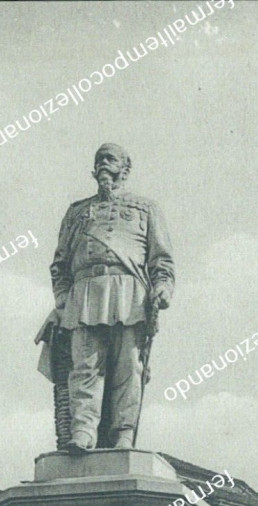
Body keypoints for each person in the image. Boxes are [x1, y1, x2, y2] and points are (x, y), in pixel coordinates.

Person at [46, 143, 175, 454]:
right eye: (99, 159)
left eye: (110, 158)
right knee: (84, 365)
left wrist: (163, 288)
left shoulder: (146, 209)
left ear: (125, 168)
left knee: (128, 366)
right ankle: (83, 431)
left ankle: (123, 433)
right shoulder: (77, 211)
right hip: (85, 292)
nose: (103, 164)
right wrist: (63, 300)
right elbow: (59, 264)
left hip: (130, 293)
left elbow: (162, 260)